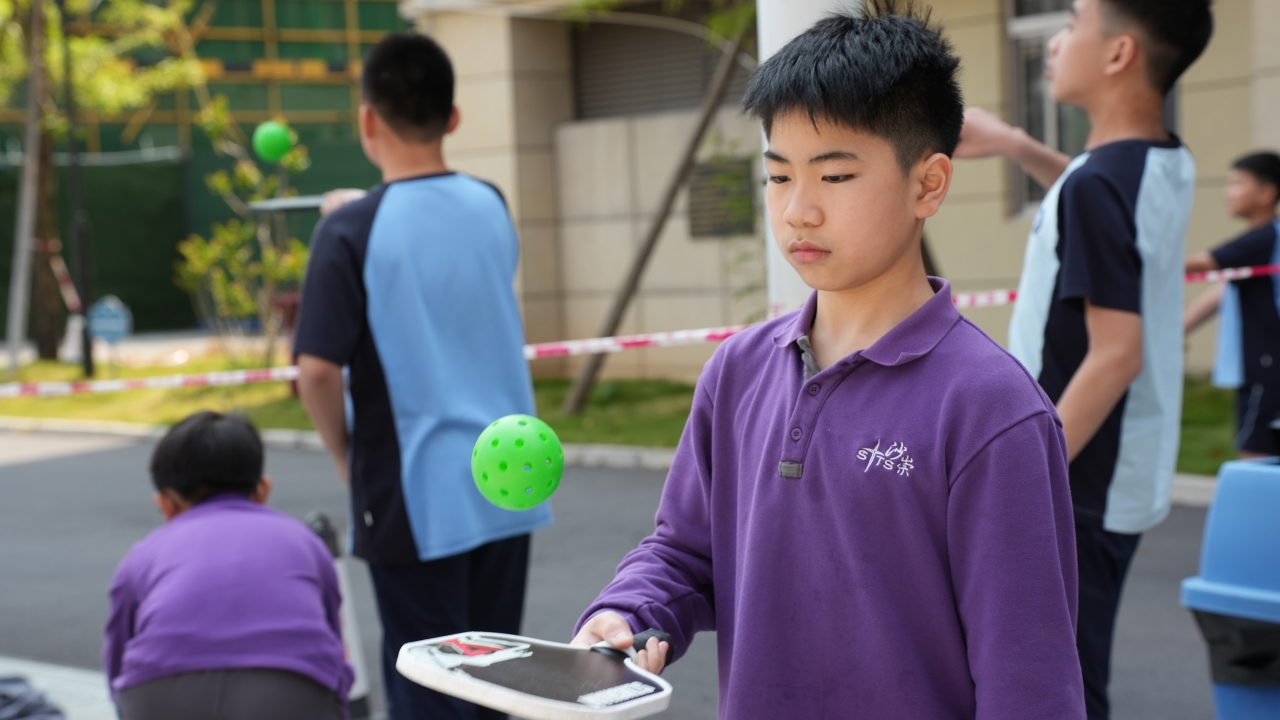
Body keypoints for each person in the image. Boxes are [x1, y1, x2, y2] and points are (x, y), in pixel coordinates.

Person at [571, 5, 1085, 718]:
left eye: (835, 176)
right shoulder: (737, 372)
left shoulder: (992, 409)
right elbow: (686, 553)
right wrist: (627, 612)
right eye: (778, 177)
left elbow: (1028, 680)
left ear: (928, 184)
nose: (798, 211)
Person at [952, 0, 1213, 717]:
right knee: (1063, 669)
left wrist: (1023, 469)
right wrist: (1017, 145)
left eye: (1071, 23)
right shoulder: (1160, 160)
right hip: (1119, 468)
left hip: (1077, 480)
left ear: (1119, 53)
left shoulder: (1098, 186)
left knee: (1057, 685)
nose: (1053, 42)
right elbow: (1094, 188)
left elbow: (1116, 355)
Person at [293, 32, 552, 720]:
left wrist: (346, 457)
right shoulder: (490, 201)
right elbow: (431, 240)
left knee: (428, 692)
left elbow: (315, 371)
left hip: (415, 491)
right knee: (496, 682)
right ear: (453, 116)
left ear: (366, 120)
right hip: (509, 474)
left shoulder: (348, 232)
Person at [103, 411, 351, 720]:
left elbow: (117, 656)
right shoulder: (303, 541)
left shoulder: (144, 554)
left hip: (159, 690)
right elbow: (333, 637)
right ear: (263, 490)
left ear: (166, 504)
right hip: (290, 686)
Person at [1185, 152, 1280, 457]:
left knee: (1256, 457)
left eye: (1238, 183)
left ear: (1266, 193)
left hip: (1265, 370)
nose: (1228, 192)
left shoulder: (1264, 238)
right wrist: (1177, 330)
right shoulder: (1266, 241)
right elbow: (1222, 290)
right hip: (1266, 367)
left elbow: (1200, 264)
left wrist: (1129, 258)